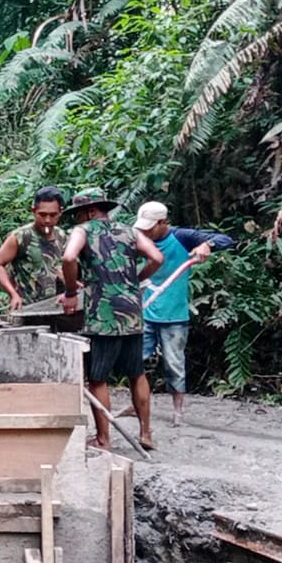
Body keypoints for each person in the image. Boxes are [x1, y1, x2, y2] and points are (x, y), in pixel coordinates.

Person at [58, 189, 164, 450]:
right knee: (136, 373)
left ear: (91, 211)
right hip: (131, 311)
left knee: (98, 377)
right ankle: (145, 433)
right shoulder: (130, 231)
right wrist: (134, 280)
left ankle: (104, 438)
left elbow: (69, 257)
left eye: (80, 214)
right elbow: (157, 258)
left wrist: (71, 292)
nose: (79, 219)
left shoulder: (82, 231)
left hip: (102, 313)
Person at [132, 201, 235, 426]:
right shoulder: (138, 238)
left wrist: (206, 245)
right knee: (136, 360)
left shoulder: (181, 237)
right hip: (144, 310)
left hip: (174, 314)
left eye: (150, 227)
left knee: (174, 363)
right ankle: (137, 403)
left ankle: (178, 412)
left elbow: (226, 239)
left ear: (163, 222)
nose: (145, 232)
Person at [0, 186, 67, 310]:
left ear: (60, 212)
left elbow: (59, 266)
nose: (47, 220)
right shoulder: (21, 236)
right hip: (27, 308)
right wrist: (13, 295)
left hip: (55, 307)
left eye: (53, 215)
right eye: (42, 215)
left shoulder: (61, 236)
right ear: (33, 211)